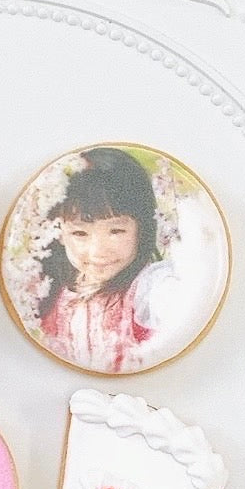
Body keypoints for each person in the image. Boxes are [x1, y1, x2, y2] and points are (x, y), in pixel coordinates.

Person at [36, 147, 205, 373]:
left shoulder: (148, 289)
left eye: (116, 231)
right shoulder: (48, 290)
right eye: (80, 233)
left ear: (141, 228)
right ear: (59, 233)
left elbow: (180, 303)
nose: (98, 251)